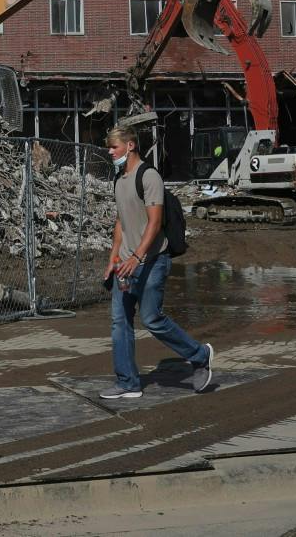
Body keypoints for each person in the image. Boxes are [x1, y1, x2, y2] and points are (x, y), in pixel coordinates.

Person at [101, 124, 213, 401]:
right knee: (120, 322)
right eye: (108, 147)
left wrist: (138, 257)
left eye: (114, 147)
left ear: (130, 145)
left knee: (152, 319)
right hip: (125, 264)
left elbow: (154, 222)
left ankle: (200, 356)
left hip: (152, 261)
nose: (110, 152)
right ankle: (128, 382)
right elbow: (121, 221)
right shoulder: (119, 179)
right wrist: (114, 257)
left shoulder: (149, 176)